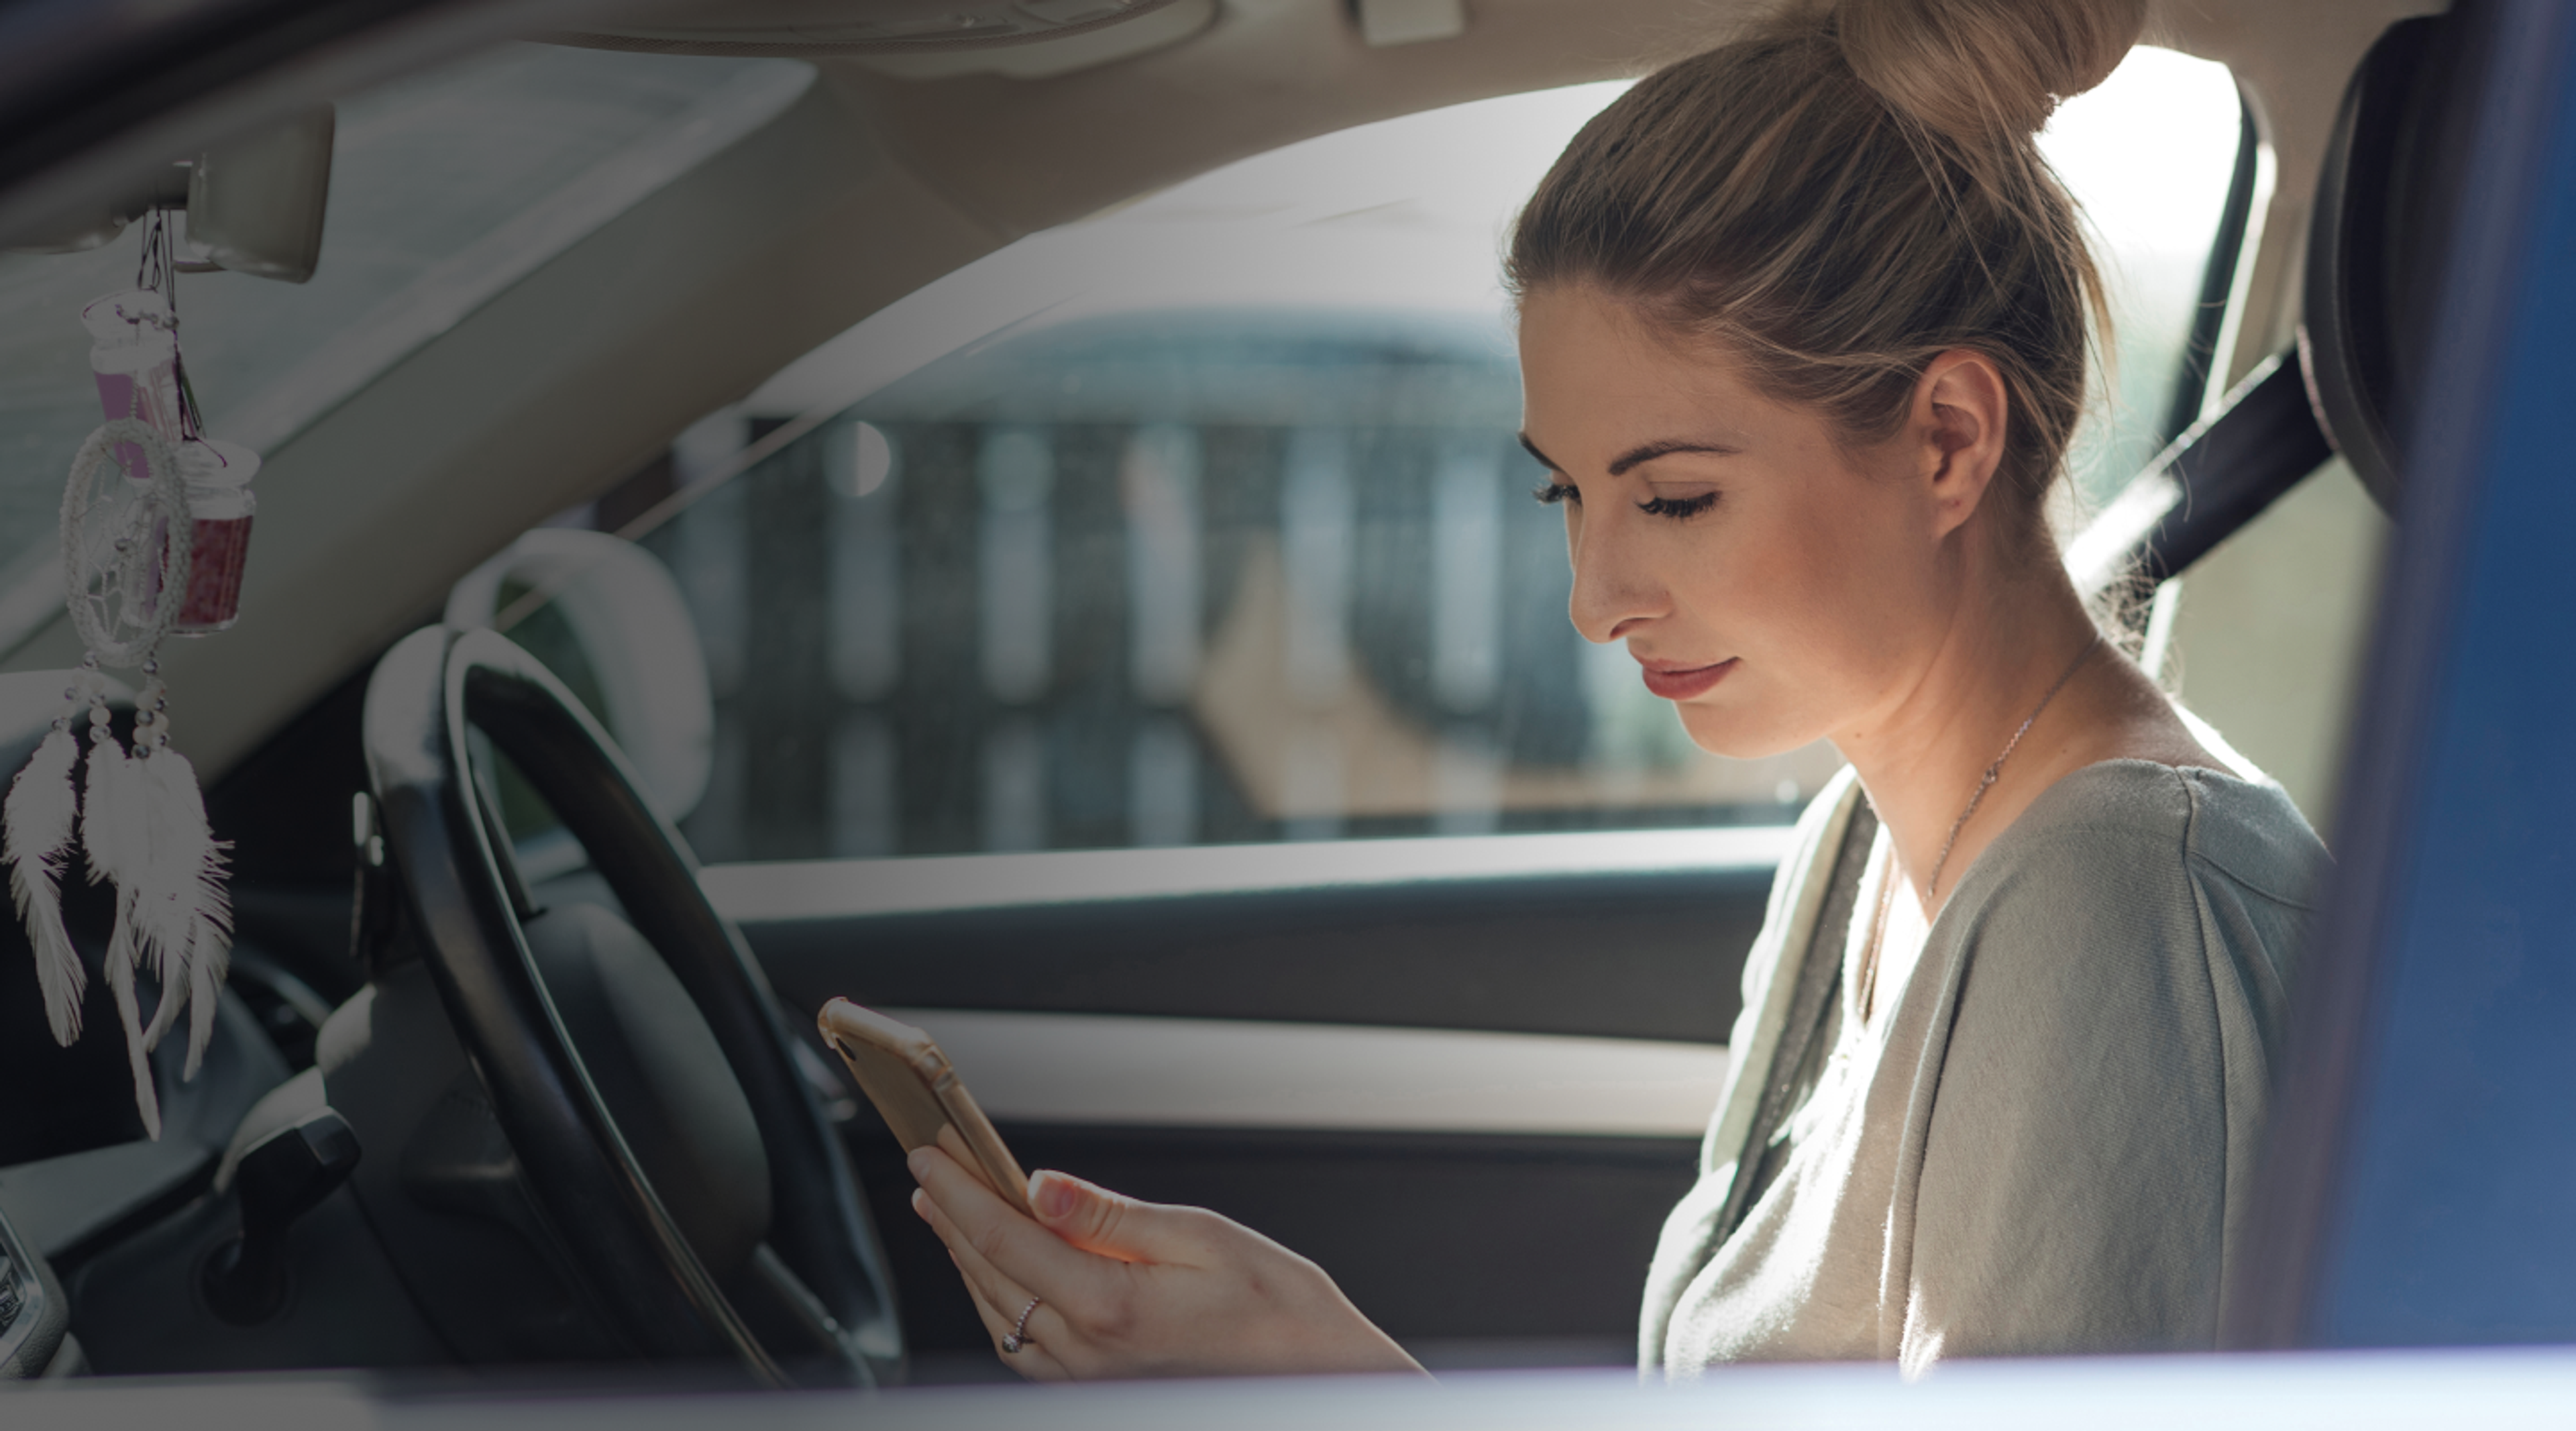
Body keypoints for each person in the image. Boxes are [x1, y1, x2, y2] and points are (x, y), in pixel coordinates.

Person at [904, 0, 2326, 1380]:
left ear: (1949, 439)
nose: (1595, 602)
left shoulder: (2119, 907)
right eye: (1567, 493)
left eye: (1678, 498)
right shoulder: (1859, 846)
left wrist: (1335, 1380)